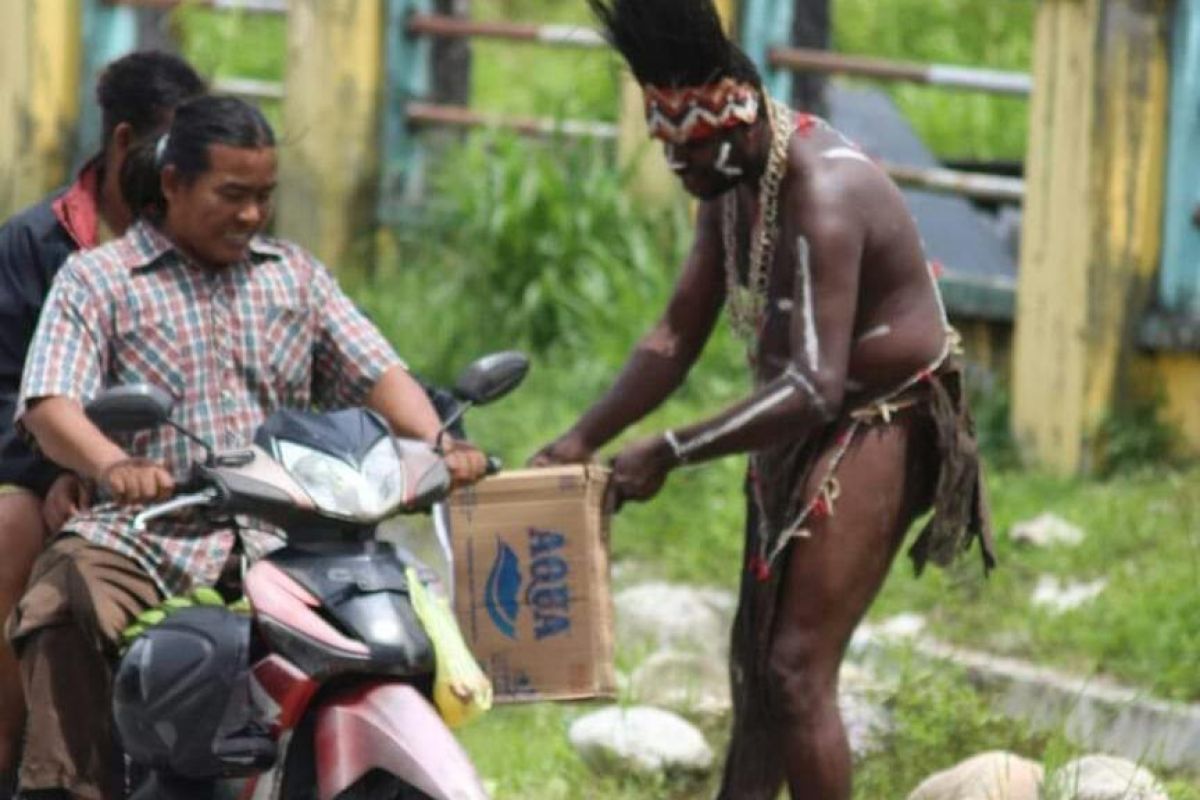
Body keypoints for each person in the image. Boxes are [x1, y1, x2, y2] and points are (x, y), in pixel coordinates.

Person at [531, 2, 995, 798]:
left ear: (736, 126)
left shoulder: (822, 187)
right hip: (800, 421)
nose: (678, 171)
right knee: (755, 669)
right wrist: (581, 438)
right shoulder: (732, 180)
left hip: (879, 420)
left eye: (689, 154)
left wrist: (670, 450)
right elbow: (675, 335)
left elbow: (816, 384)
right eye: (668, 152)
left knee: (793, 671)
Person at [7, 95, 488, 800]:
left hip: (296, 535)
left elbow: (377, 370)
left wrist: (440, 441)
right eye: (232, 195)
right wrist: (113, 465)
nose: (252, 215)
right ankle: (67, 786)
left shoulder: (293, 275)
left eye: (264, 196)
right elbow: (50, 404)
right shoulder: (98, 280)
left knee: (404, 613)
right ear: (172, 184)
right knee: (64, 591)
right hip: (151, 532)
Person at [0, 51, 206, 795]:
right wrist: (62, 470)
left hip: (188, 479)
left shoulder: (209, 247)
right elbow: (15, 392)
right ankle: (14, 754)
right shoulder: (36, 248)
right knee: (17, 532)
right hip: (53, 477)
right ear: (124, 144)